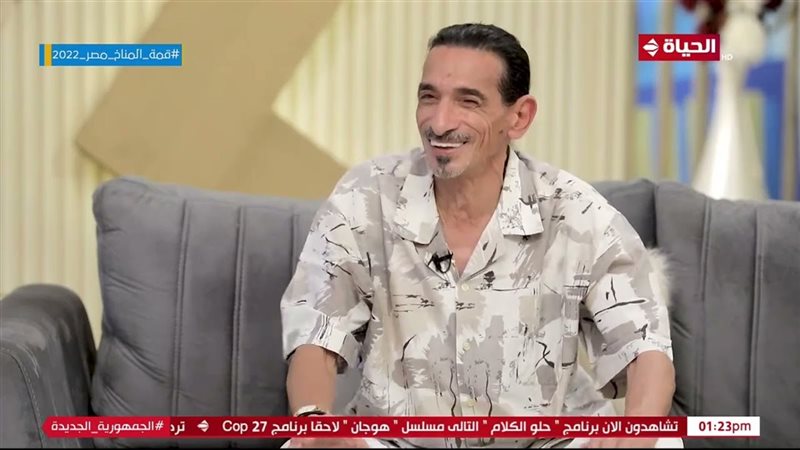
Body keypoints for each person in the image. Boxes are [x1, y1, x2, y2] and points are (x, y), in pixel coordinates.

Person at [280, 23, 679, 449]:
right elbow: (315, 334)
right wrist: (312, 422)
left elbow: (645, 347)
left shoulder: (575, 210)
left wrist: (636, 435)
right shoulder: (366, 195)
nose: (439, 122)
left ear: (519, 116)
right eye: (428, 97)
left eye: (467, 101)